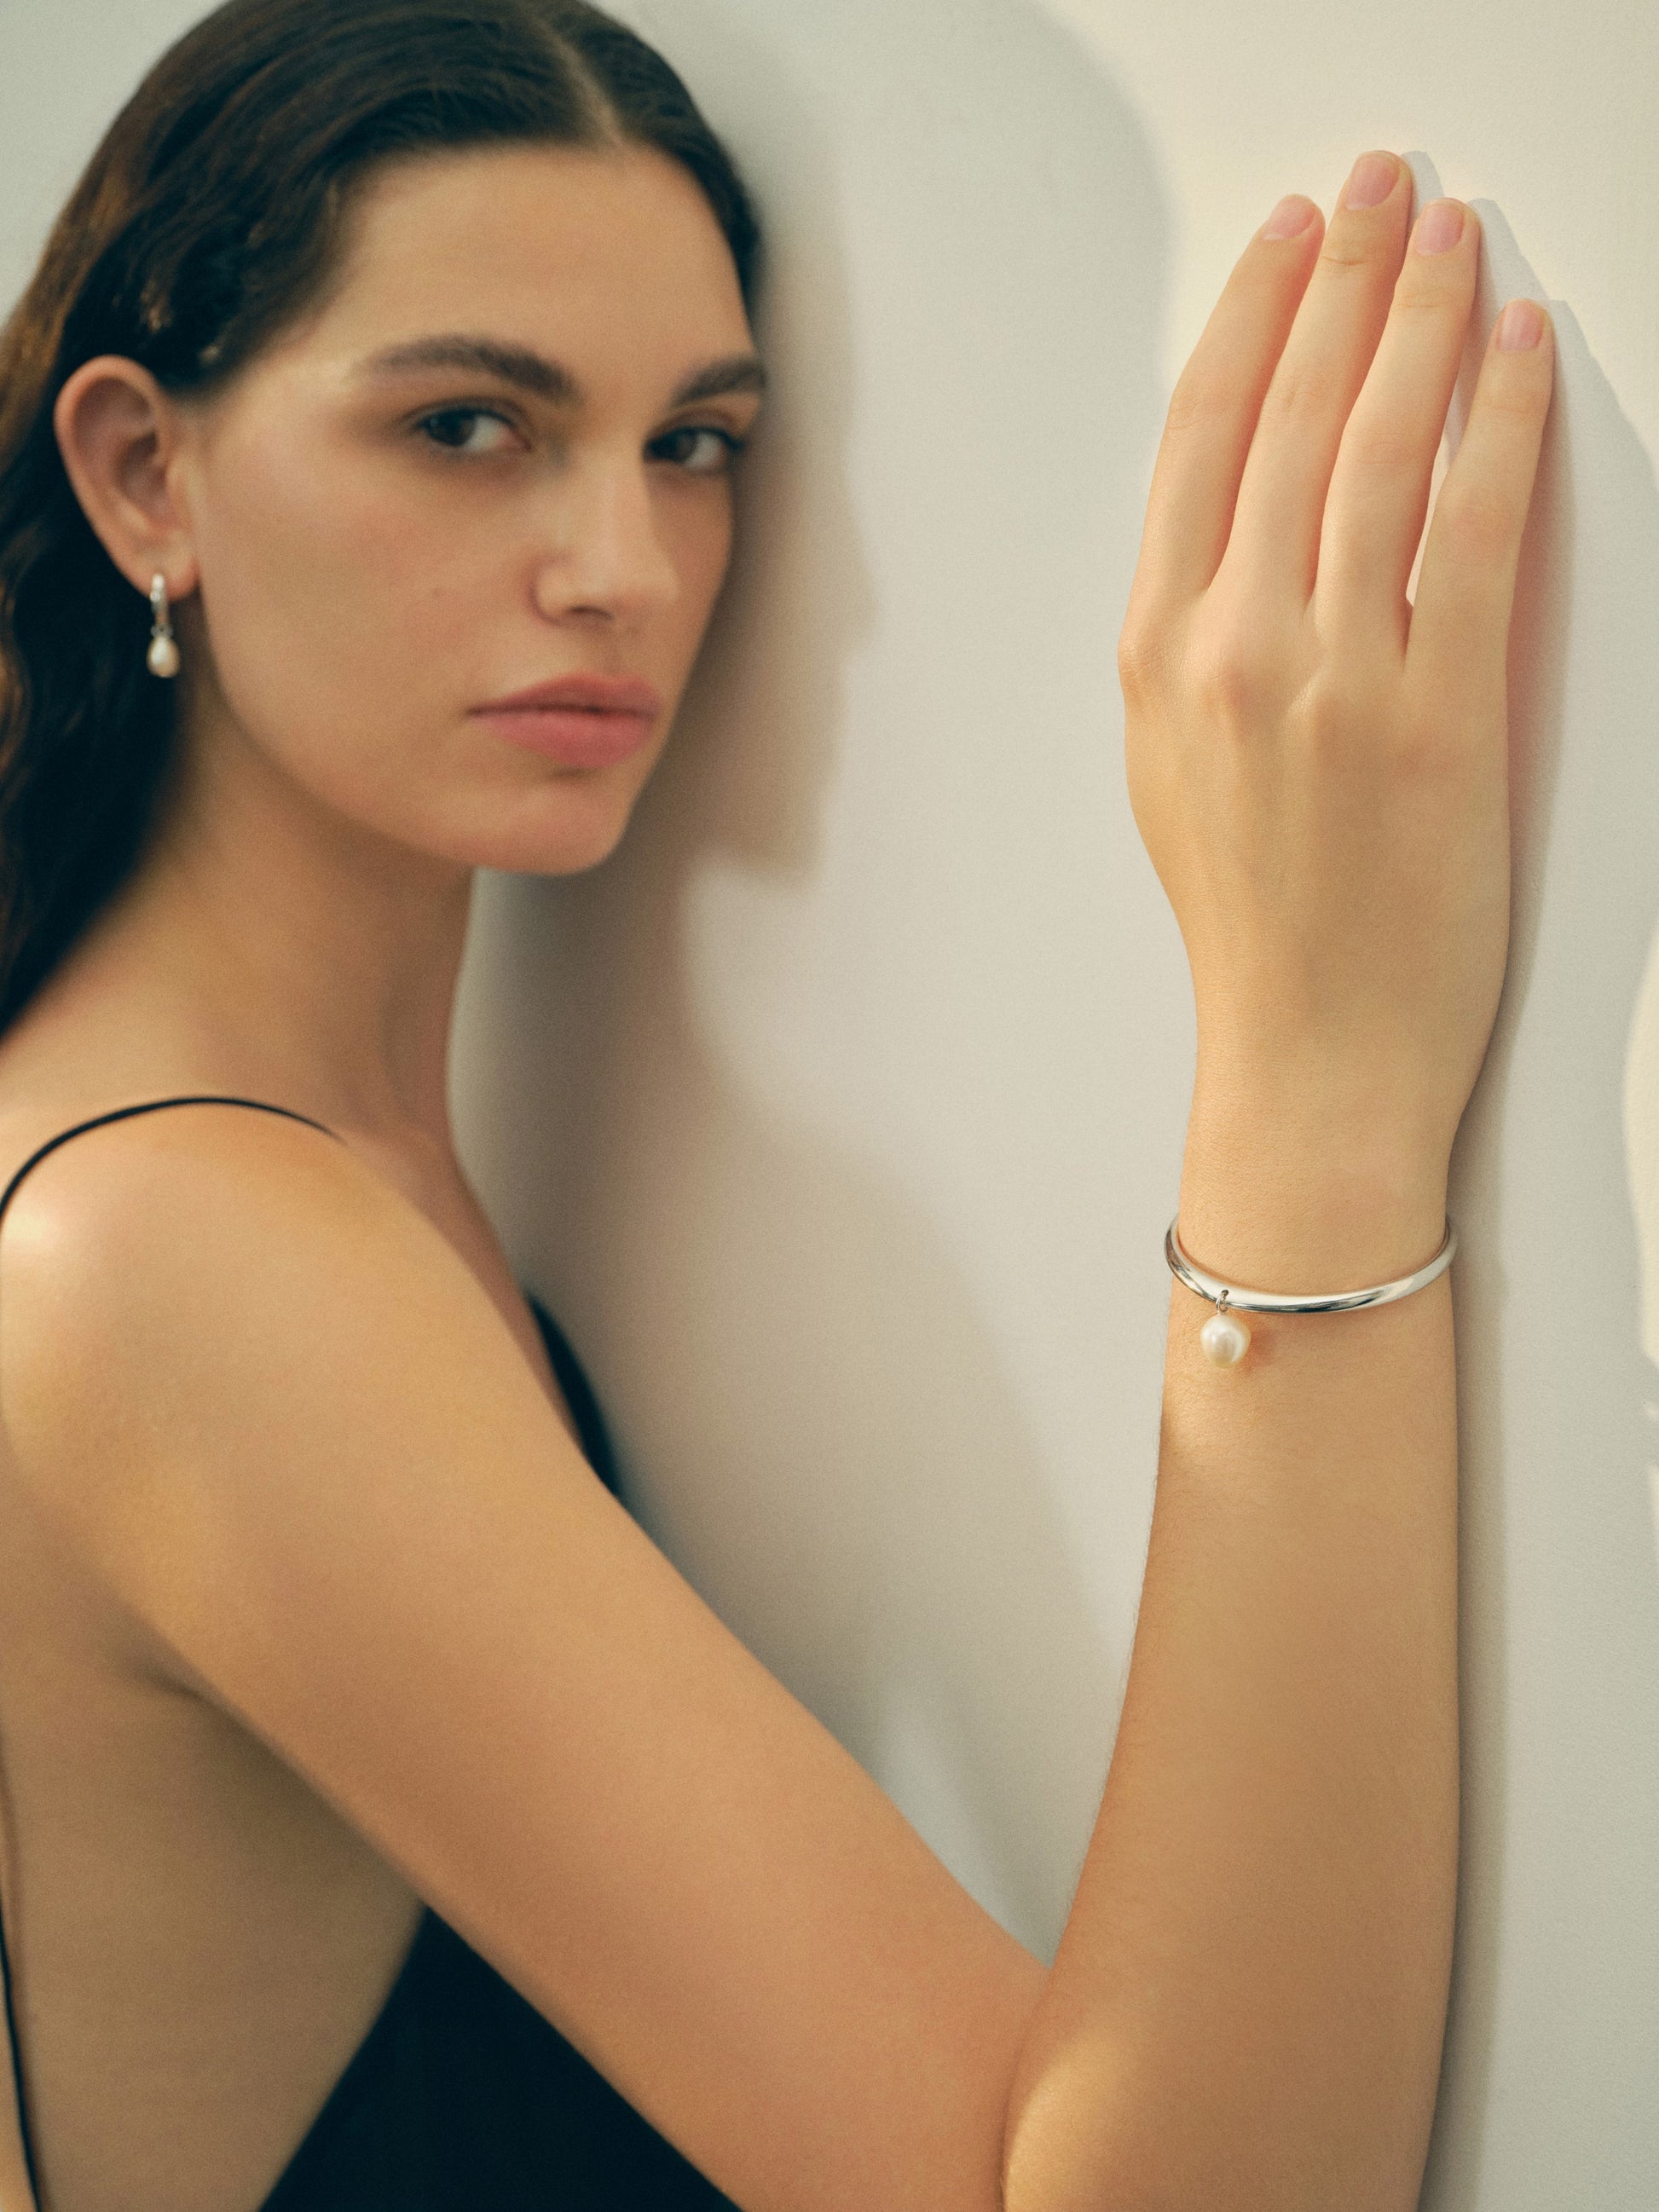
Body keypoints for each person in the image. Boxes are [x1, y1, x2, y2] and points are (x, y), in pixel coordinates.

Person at [0, 0, 1554, 2200]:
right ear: (145, 471)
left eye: (693, 443)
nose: (620, 568)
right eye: (467, 425)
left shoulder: (274, 1144)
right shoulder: (169, 1250)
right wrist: (1314, 1075)